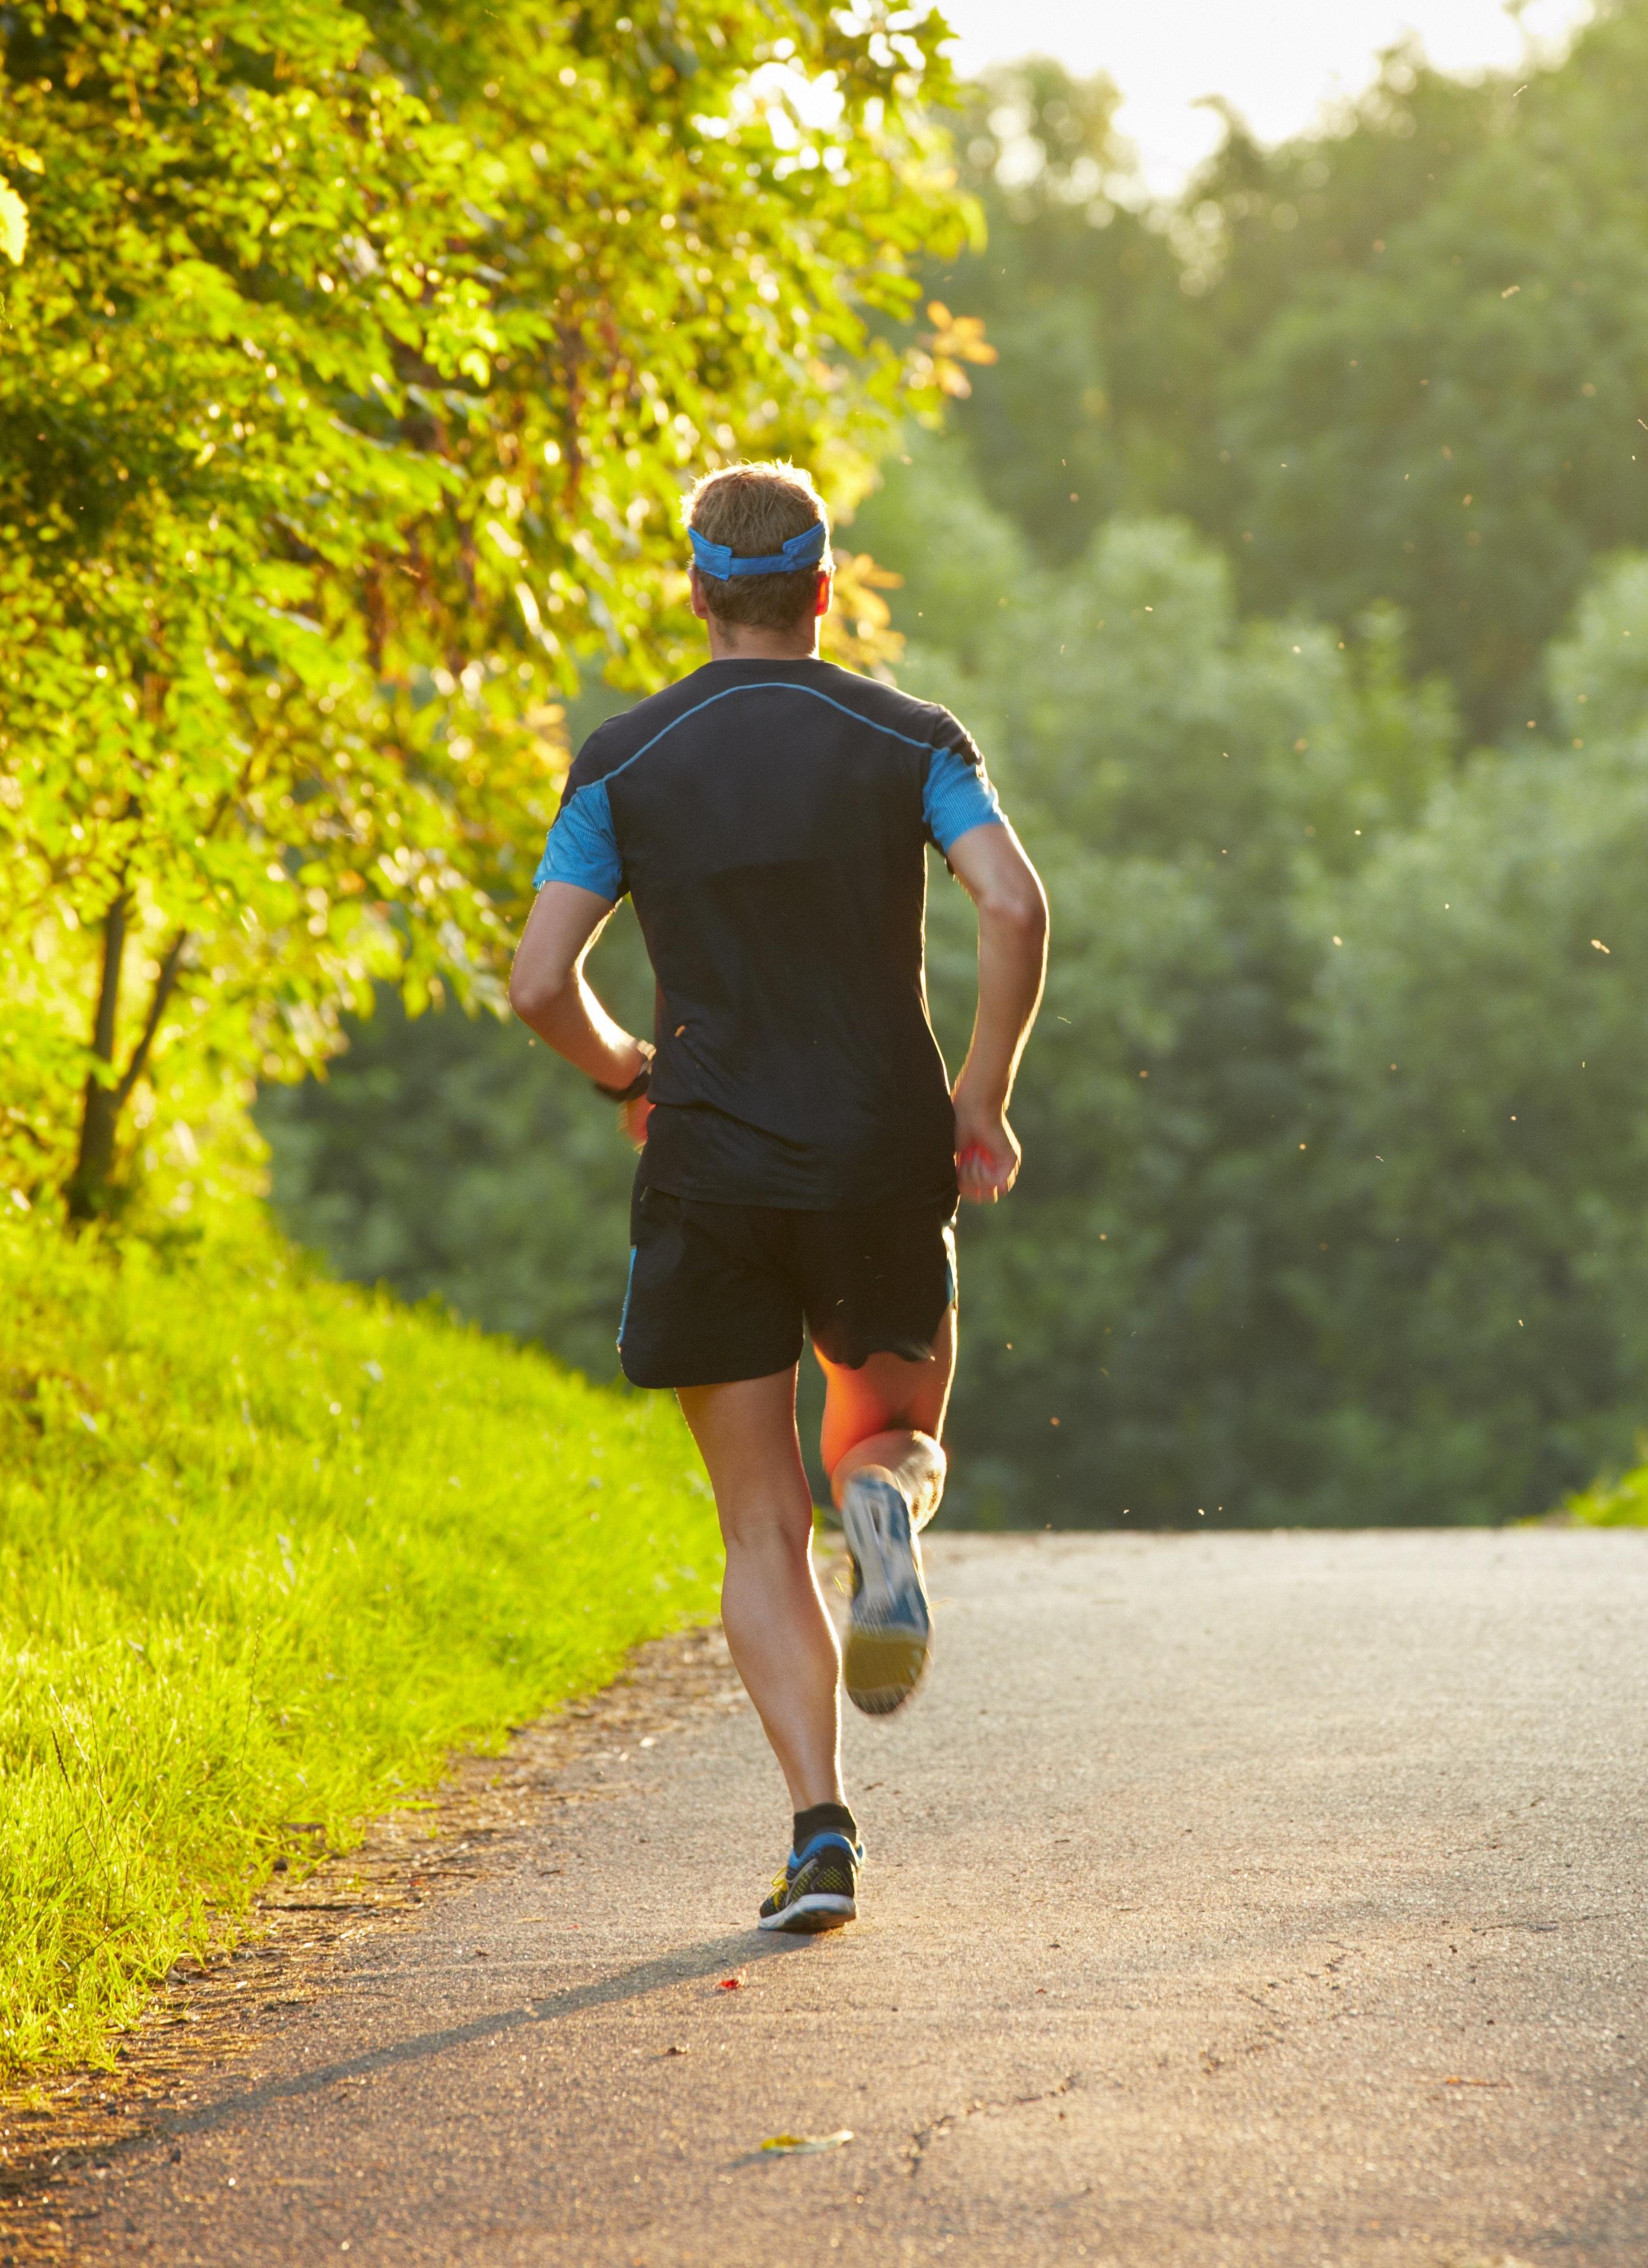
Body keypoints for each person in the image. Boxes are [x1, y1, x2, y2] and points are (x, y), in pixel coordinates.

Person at [507, 460, 1048, 1935]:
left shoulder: (627, 760)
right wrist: (981, 1097)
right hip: (879, 1155)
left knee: (757, 1527)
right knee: (893, 1433)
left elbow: (539, 982)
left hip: (710, 1173)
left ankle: (821, 1835)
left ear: (698, 590)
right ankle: (886, 1506)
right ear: (822, 589)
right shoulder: (909, 738)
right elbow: (1012, 902)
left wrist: (630, 1074)